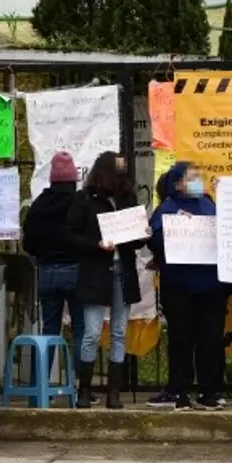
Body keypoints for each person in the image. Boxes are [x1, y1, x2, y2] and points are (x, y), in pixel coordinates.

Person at [148, 162, 232, 410]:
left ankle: (209, 392)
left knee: (210, 340)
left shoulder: (210, 206)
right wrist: (175, 227)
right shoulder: (166, 209)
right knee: (181, 338)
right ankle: (179, 390)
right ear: (177, 183)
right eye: (191, 177)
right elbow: (154, 242)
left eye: (199, 177)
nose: (198, 181)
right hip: (179, 288)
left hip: (211, 288)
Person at [67, 151, 150, 409]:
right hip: (96, 272)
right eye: (119, 169)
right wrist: (96, 245)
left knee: (118, 332)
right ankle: (85, 390)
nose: (123, 174)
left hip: (122, 271)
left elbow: (133, 240)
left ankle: (114, 393)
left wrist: (142, 235)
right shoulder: (84, 199)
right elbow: (70, 236)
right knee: (91, 332)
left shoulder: (127, 198)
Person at [23, 153, 86, 384]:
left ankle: (40, 385)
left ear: (51, 178)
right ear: (73, 179)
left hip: (47, 271)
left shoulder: (40, 204)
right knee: (81, 329)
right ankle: (81, 385)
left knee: (49, 329)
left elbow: (28, 242)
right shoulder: (79, 202)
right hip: (76, 270)